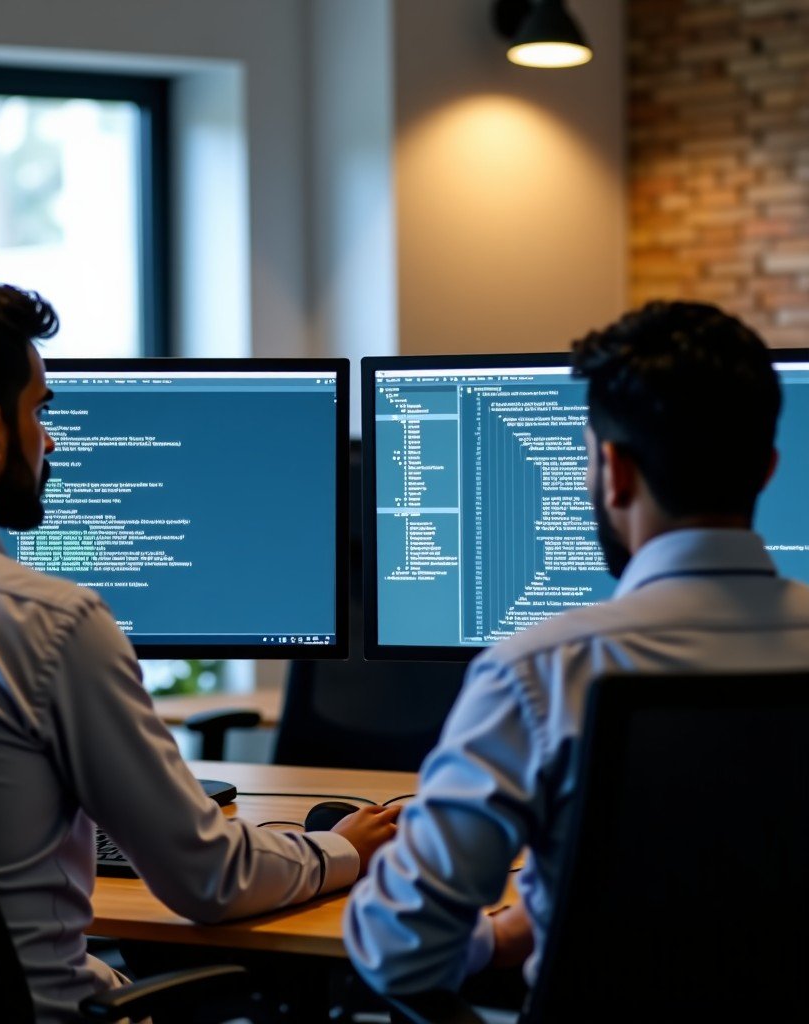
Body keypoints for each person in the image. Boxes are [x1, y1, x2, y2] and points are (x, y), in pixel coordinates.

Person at [0, 275, 399, 1023]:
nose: (48, 439)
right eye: (38, 411)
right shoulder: (52, 621)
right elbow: (209, 880)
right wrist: (341, 848)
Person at [343, 300, 809, 1001]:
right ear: (770, 468)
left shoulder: (538, 673)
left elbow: (399, 950)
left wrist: (496, 938)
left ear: (613, 471)